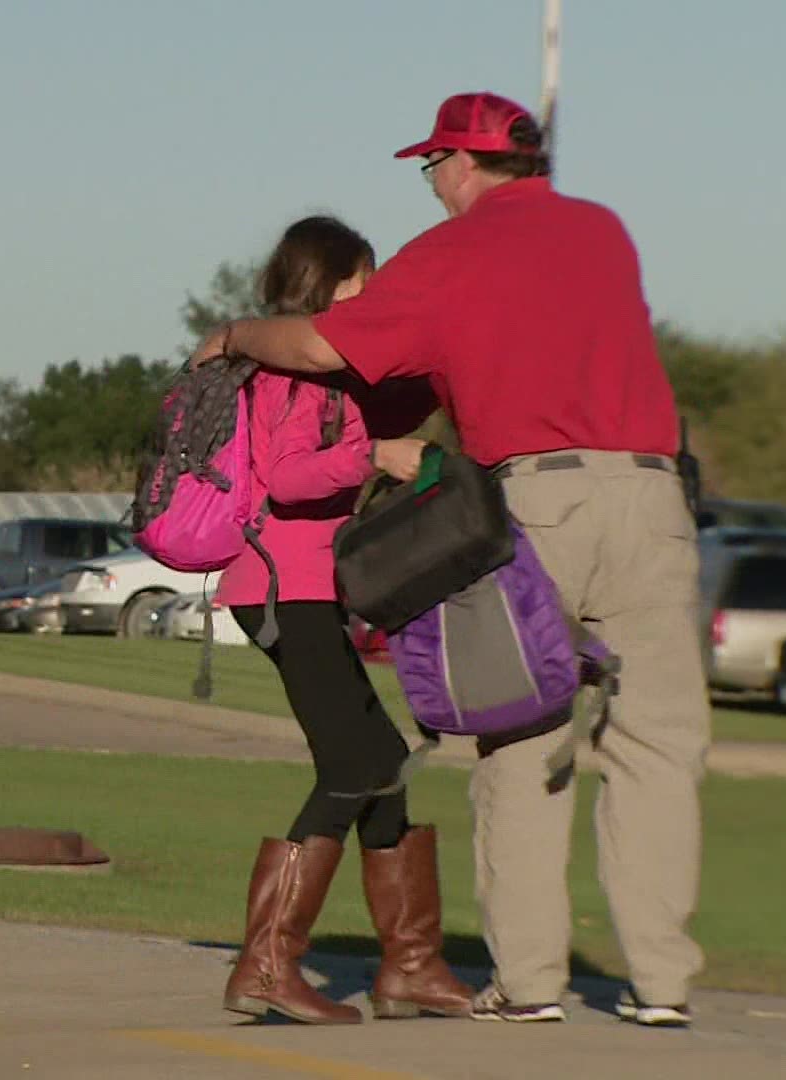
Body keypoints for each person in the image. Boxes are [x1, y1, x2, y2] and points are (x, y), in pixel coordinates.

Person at [193, 92, 708, 1028]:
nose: (431, 184)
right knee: (658, 747)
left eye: (432, 167)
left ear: (462, 165)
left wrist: (233, 336)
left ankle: (531, 983)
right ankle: (664, 983)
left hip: (542, 497)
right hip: (655, 493)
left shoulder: (453, 251)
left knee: (523, 734)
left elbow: (315, 342)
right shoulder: (604, 233)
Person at [215, 215, 475, 1025]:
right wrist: (376, 456)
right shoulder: (288, 372)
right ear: (328, 282)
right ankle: (266, 965)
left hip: (305, 587)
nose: (374, 295)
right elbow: (287, 478)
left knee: (385, 761)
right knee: (353, 768)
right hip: (278, 588)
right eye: (364, 279)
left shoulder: (318, 377)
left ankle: (411, 966)